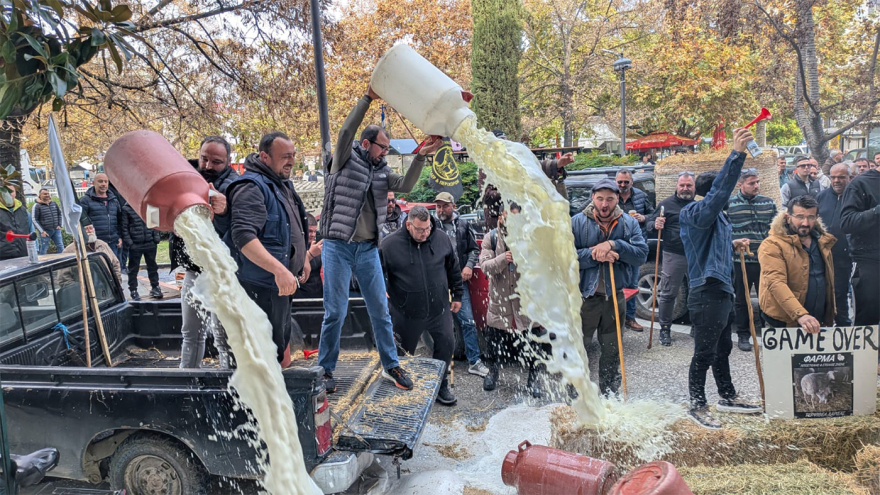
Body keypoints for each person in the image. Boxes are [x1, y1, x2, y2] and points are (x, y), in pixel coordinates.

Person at [317, 84, 443, 393]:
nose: (386, 152)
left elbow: (407, 185)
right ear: (366, 143)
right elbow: (345, 132)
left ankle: (391, 365)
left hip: (367, 250)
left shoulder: (382, 171)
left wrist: (421, 156)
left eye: (387, 149)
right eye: (383, 147)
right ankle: (326, 369)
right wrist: (367, 98)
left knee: (381, 311)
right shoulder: (343, 159)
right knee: (335, 312)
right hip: (337, 246)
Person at [679, 128, 762, 429]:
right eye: (721, 192)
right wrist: (736, 154)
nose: (726, 197)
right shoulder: (695, 212)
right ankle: (697, 404)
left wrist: (731, 244)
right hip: (706, 290)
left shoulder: (718, 218)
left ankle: (727, 396)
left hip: (722, 289)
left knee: (723, 348)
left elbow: (708, 246)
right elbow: (717, 197)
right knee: (704, 352)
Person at [227, 132, 309, 363]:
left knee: (277, 347)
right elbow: (243, 237)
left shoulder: (281, 184)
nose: (291, 161)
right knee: (263, 355)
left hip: (280, 285)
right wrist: (279, 270)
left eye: (293, 155)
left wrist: (302, 258)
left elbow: (291, 229)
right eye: (285, 156)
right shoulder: (251, 187)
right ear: (264, 157)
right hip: (261, 287)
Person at [572, 178, 648, 396]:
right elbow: (566, 257)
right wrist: (596, 254)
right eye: (600, 199)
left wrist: (615, 245)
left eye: (610, 199)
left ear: (617, 199)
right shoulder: (576, 222)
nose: (604, 204)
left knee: (612, 349)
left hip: (615, 296)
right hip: (585, 297)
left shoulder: (629, 223)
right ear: (592, 198)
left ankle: (609, 395)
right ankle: (576, 395)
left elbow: (641, 255)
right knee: (579, 348)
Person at [380, 206, 461, 405]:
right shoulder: (389, 245)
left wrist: (457, 295)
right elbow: (375, 273)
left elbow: (453, 268)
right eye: (419, 230)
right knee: (402, 354)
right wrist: (380, 290)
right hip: (406, 312)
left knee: (446, 345)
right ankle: (402, 392)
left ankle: (441, 386)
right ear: (408, 225)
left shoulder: (441, 238)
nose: (425, 234)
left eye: (427, 229)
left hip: (439, 309)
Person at [171, 137, 236, 369]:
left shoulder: (236, 186)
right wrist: (172, 224)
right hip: (194, 269)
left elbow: (243, 231)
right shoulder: (185, 178)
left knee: (223, 334)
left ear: (229, 161)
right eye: (204, 159)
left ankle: (230, 383)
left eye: (216, 162)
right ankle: (187, 381)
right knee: (191, 332)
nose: (208, 166)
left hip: (223, 273)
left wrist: (225, 211)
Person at [480, 202, 553, 397]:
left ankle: (533, 380)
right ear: (501, 217)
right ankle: (492, 373)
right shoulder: (491, 237)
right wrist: (503, 258)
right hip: (500, 300)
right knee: (493, 340)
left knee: (534, 342)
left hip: (527, 301)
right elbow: (485, 266)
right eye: (509, 216)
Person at [758, 195, 836, 332]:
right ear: (788, 217)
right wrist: (800, 314)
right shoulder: (772, 245)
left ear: (817, 217)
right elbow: (775, 282)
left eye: (811, 217)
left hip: (816, 319)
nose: (805, 223)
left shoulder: (822, 241)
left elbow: (828, 280)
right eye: (800, 217)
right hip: (784, 320)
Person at [434, 192, 489, 378]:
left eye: (445, 206)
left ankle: (474, 361)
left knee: (468, 321)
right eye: (438, 206)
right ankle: (440, 364)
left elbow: (474, 249)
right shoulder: (431, 226)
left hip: (458, 281)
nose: (441, 210)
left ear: (453, 206)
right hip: (437, 282)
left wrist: (469, 266)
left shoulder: (464, 225)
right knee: (438, 323)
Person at [726, 168, 776, 352]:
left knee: (767, 298)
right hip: (740, 261)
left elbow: (776, 229)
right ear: (740, 185)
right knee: (742, 299)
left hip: (764, 259)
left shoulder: (768, 203)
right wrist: (732, 244)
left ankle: (768, 333)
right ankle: (743, 334)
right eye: (751, 183)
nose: (756, 186)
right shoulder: (729, 204)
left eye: (757, 182)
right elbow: (724, 230)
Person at [645, 171, 696, 346]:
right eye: (682, 185)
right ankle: (665, 329)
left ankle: (696, 326)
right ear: (677, 186)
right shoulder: (665, 205)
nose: (685, 188)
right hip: (674, 253)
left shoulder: (699, 205)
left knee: (697, 291)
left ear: (694, 187)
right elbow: (649, 225)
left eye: (689, 185)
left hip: (696, 255)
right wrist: (655, 224)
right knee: (668, 292)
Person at [839, 163, 879, 326]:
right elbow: (847, 222)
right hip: (870, 263)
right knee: (868, 321)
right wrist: (877, 212)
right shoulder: (860, 184)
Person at [614, 168, 654, 332]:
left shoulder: (640, 196)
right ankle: (613, 319)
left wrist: (644, 218)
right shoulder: (610, 195)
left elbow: (653, 214)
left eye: (626, 182)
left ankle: (629, 318)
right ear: (615, 182)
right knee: (614, 284)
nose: (623, 185)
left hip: (634, 246)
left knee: (631, 284)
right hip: (614, 245)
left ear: (631, 182)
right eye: (620, 182)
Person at [817, 163, 853, 326]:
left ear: (849, 178)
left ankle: (843, 325)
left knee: (840, 292)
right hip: (822, 254)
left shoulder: (855, 196)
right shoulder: (821, 197)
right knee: (820, 291)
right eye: (833, 177)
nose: (836, 181)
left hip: (845, 255)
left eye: (841, 177)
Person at [121, 203, 162, 301]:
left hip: (150, 242)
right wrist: (130, 243)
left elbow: (155, 224)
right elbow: (124, 228)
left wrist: (156, 238)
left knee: (152, 266)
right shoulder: (127, 208)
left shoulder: (151, 205)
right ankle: (133, 290)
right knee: (133, 269)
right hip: (135, 244)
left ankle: (155, 287)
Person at [78, 173, 122, 263]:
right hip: (95, 243)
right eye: (100, 181)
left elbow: (120, 220)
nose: (103, 184)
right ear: (94, 183)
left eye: (106, 182)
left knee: (114, 267)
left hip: (113, 242)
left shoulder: (114, 200)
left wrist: (120, 237)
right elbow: (81, 222)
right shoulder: (85, 200)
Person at [294, 213, 324, 299]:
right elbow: (292, 264)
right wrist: (310, 254)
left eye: (315, 231)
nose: (313, 235)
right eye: (310, 231)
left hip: (318, 293)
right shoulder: (294, 246)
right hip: (299, 296)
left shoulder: (317, 245)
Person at [31, 189, 65, 255]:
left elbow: (59, 214)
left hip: (56, 230)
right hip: (45, 231)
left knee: (60, 246)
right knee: (44, 248)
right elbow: (34, 219)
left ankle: (63, 260)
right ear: (40, 195)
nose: (47, 195)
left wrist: (59, 225)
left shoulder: (53, 203)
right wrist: (42, 231)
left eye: (48, 193)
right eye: (45, 194)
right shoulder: (37, 206)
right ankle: (42, 261)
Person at [0, 188, 29, 261]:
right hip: (3, 257)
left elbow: (30, 229)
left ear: (15, 193)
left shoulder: (23, 210)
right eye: (6, 191)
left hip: (23, 254)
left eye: (11, 191)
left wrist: (34, 248)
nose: (9, 194)